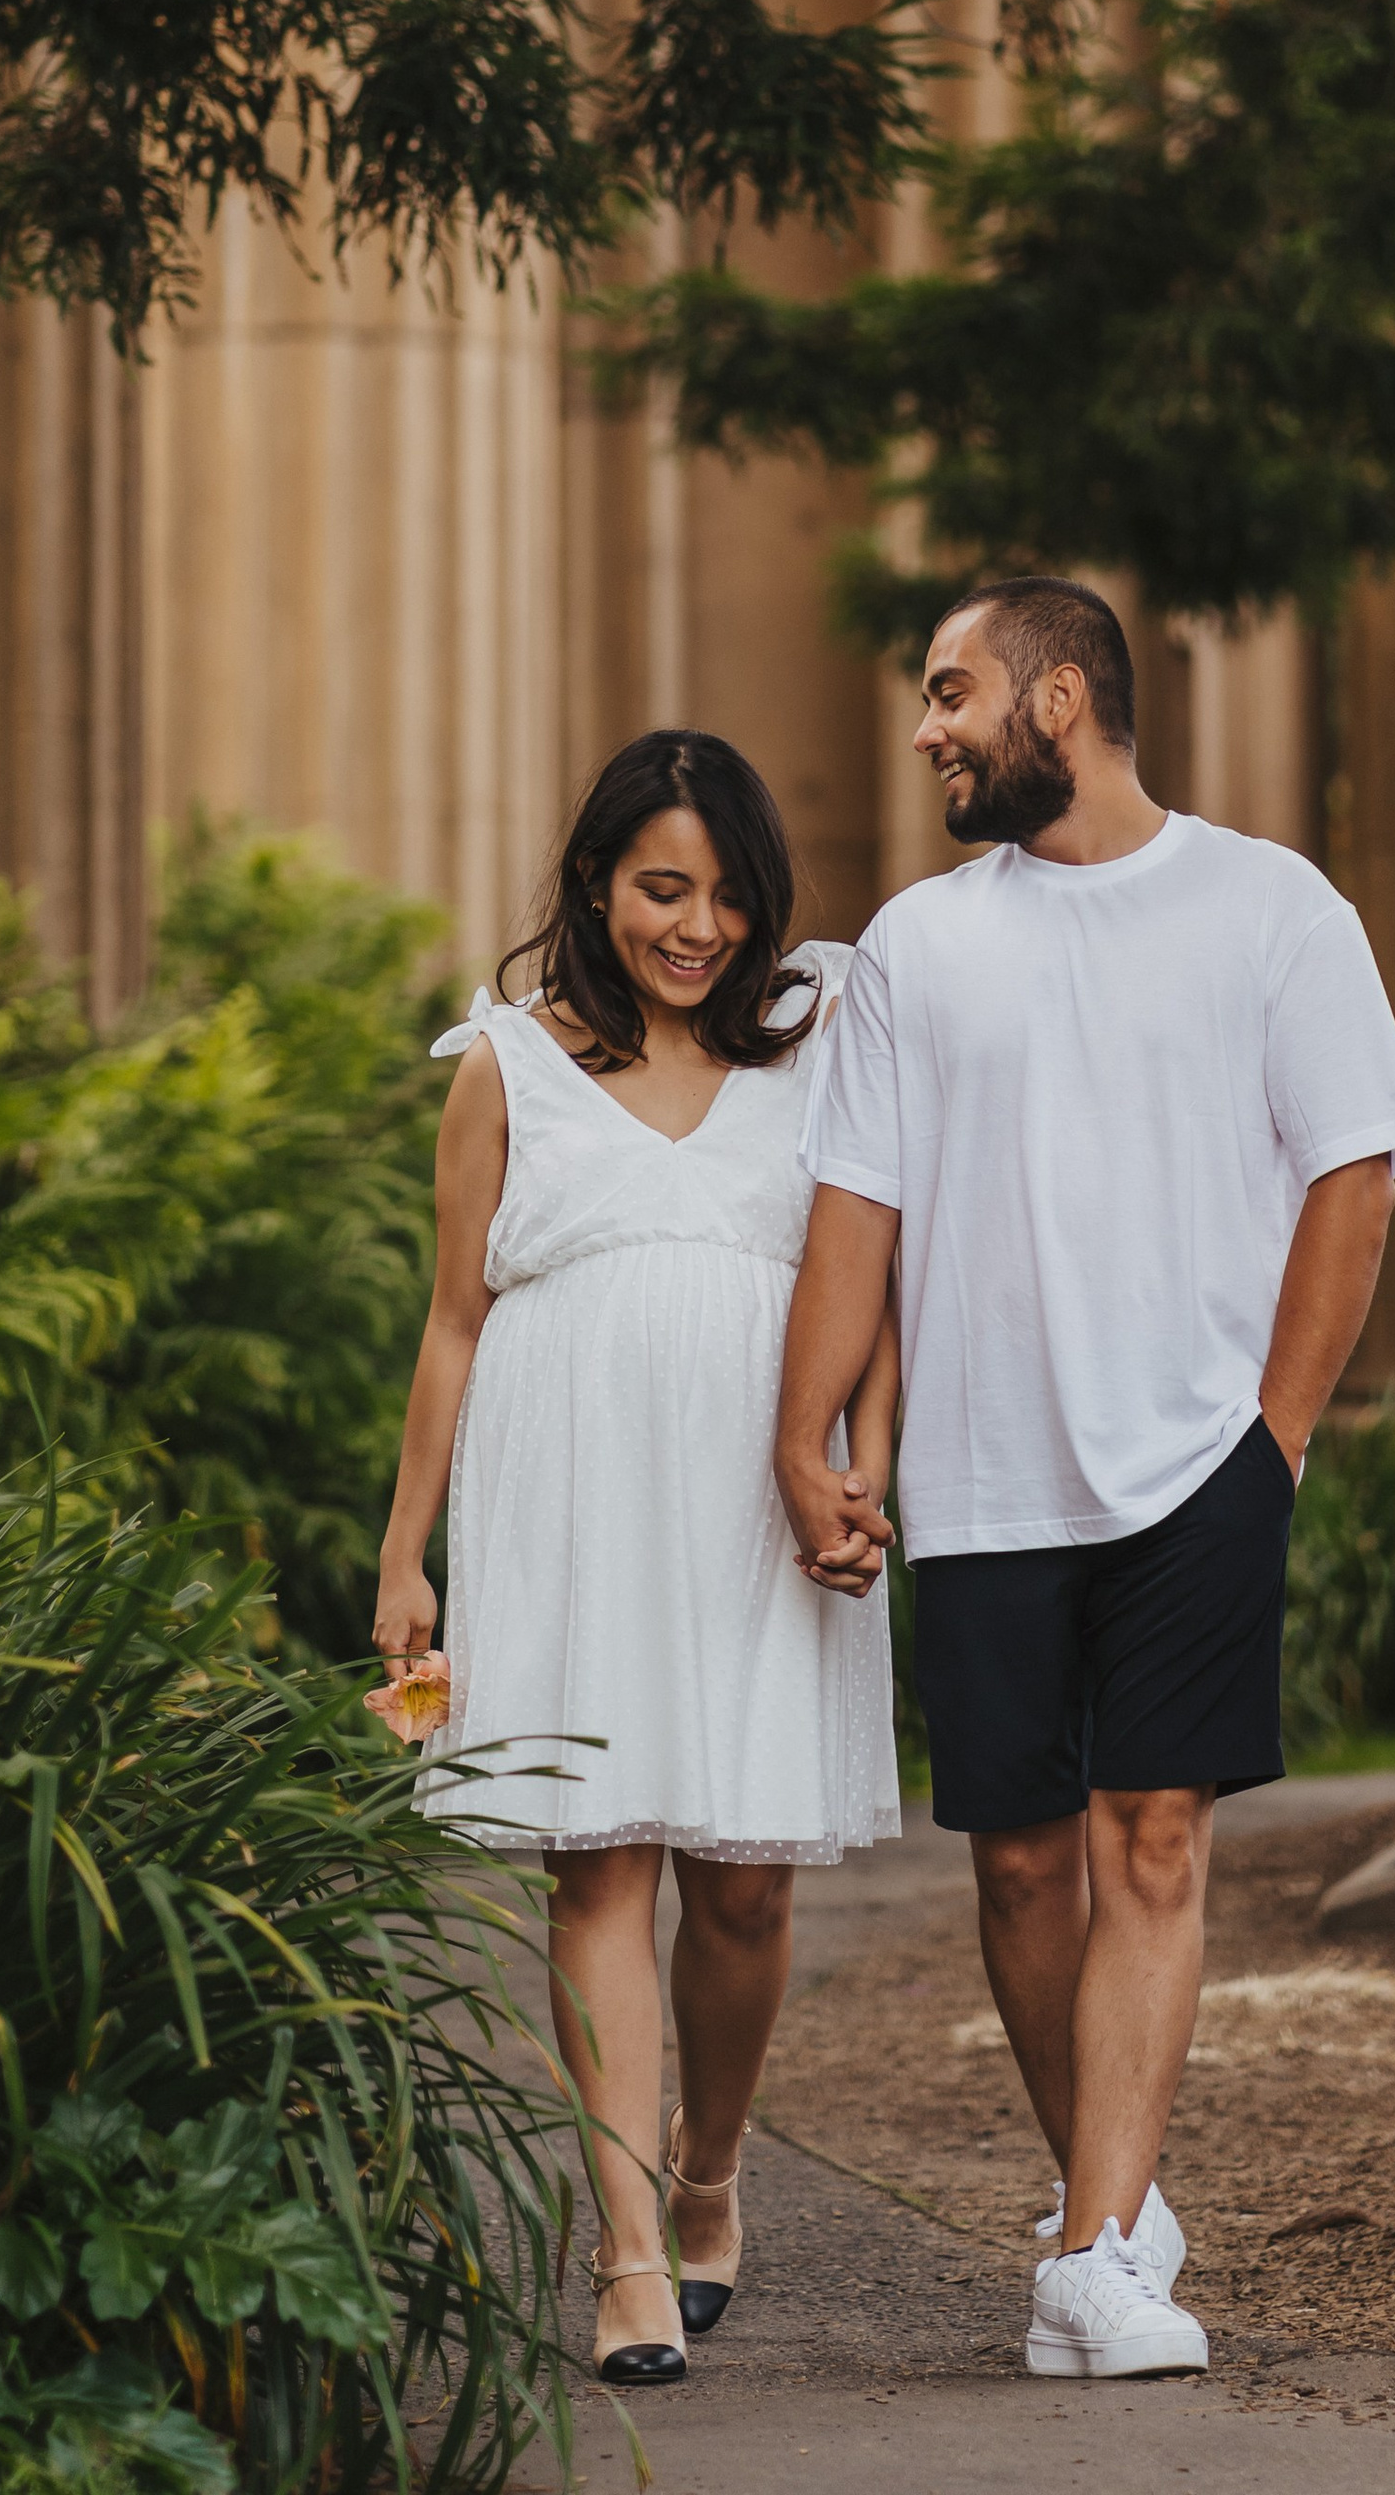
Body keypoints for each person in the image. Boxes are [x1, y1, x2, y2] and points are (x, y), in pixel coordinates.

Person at [775, 578, 1395, 2383]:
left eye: (953, 689)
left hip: (1201, 1461)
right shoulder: (916, 944)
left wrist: (1274, 1436)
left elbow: (1355, 1173)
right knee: (1016, 1866)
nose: (928, 727)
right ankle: (1111, 2210)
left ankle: (1088, 2250)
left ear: (1059, 698)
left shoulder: (1273, 907)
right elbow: (857, 1209)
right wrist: (806, 1436)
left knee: (1153, 1834)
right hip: (983, 1477)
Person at [374, 729, 897, 2391]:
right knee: (597, 1865)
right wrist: (405, 1555)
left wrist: (863, 1470)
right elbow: (455, 1322)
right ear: (597, 879)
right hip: (568, 1496)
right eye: (665, 887)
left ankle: (708, 2169)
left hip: (756, 1502)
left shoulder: (817, 1041)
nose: (700, 927)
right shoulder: (506, 1063)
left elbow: (873, 1275)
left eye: (730, 895)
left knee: (744, 1883)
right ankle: (626, 2256)